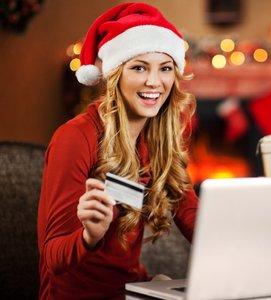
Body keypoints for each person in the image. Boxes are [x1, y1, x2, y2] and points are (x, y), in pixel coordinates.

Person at [37, 3, 198, 299]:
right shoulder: (75, 137)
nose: (154, 82)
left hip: (130, 290)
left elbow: (191, 217)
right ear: (115, 75)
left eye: (164, 68)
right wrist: (90, 236)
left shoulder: (157, 138)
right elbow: (52, 257)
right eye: (139, 67)